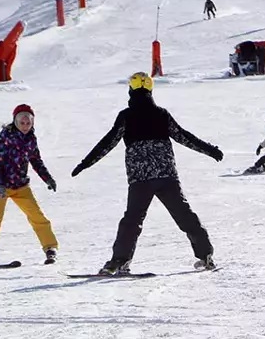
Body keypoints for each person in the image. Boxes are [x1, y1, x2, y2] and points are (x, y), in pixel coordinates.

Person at [70, 72, 224, 275]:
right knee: (184, 215)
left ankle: (118, 261)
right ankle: (206, 256)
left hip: (140, 178)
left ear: (131, 90)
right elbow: (183, 136)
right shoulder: (161, 114)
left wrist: (85, 163)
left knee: (132, 220)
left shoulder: (126, 116)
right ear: (150, 90)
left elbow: (108, 142)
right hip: (166, 176)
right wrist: (210, 150)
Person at [0, 104, 58, 266]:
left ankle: (50, 248)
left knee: (37, 216)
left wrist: (47, 178)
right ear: (15, 121)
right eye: (22, 122)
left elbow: (35, 160)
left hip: (20, 186)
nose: (25, 126)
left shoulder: (31, 139)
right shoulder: (6, 136)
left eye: (28, 123)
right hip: (0, 187)